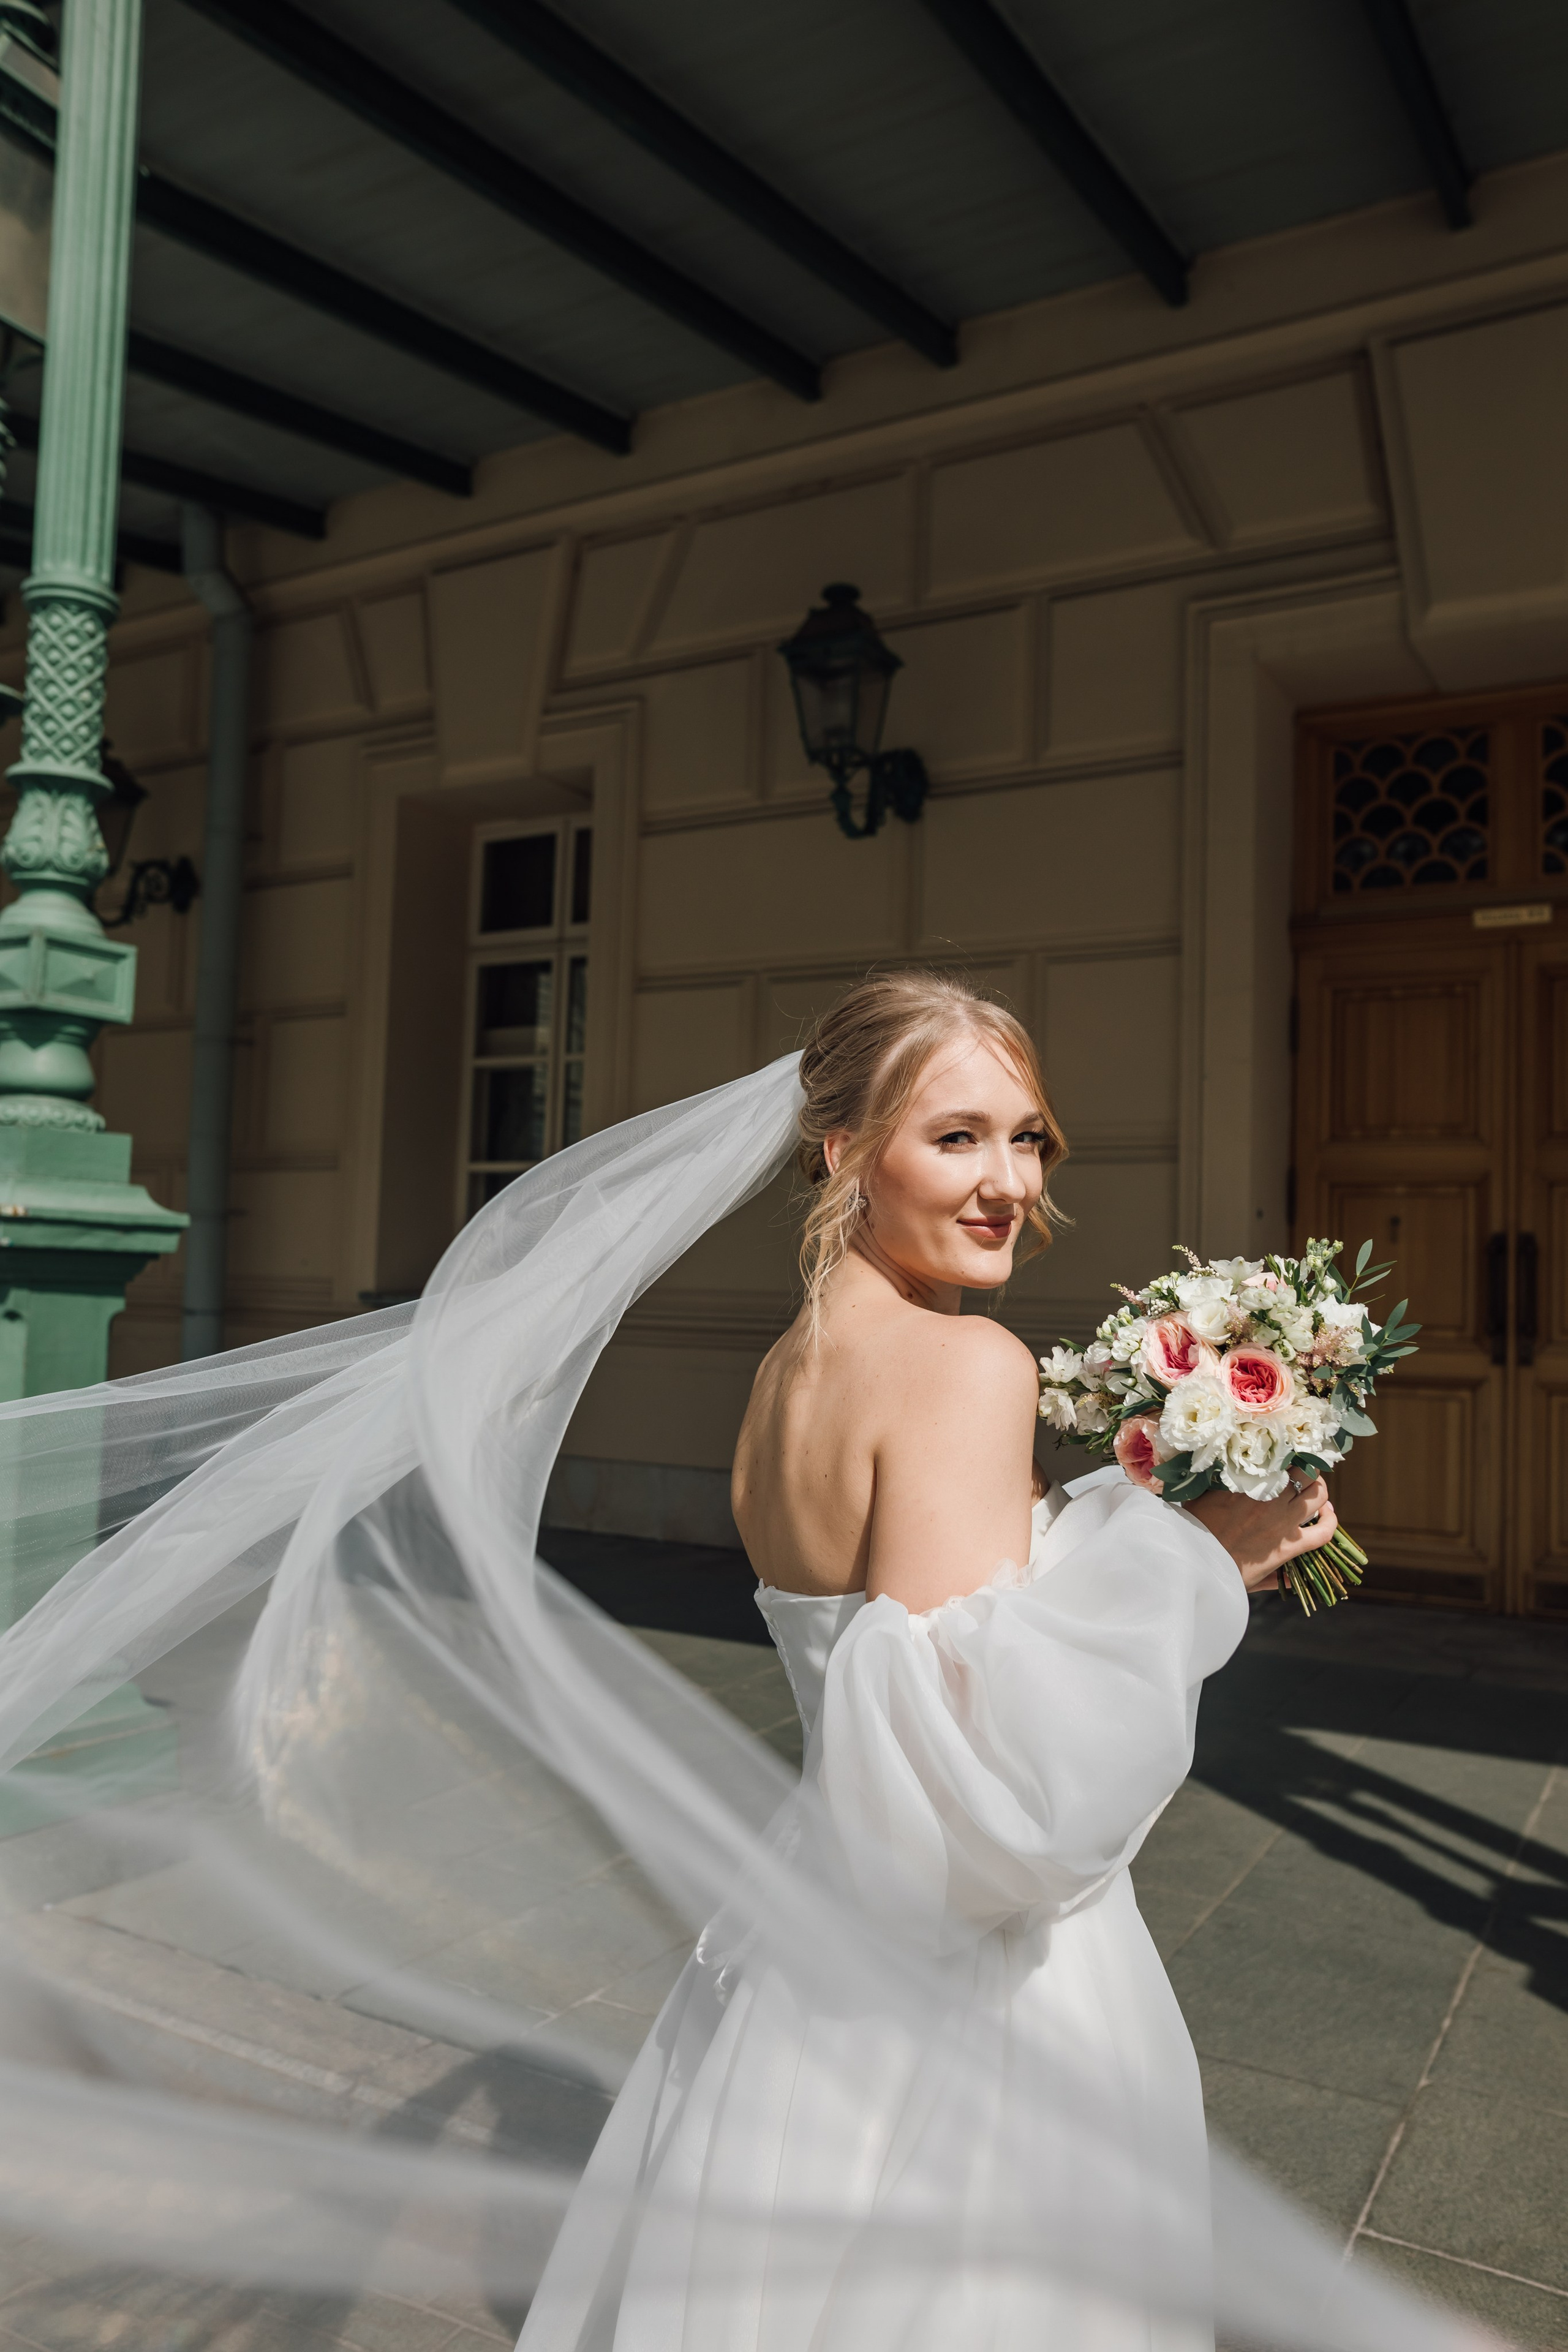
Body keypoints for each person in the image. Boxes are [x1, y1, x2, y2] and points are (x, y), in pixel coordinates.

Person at [517, 971, 1343, 2350]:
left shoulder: (784, 1376)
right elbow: (993, 1783)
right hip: (971, 1975)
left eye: (1027, 1138)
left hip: (806, 1922)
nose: (1007, 1181)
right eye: (955, 1137)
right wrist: (1204, 1560)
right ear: (843, 1152)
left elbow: (909, 1640)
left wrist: (1135, 1527)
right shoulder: (965, 1366)